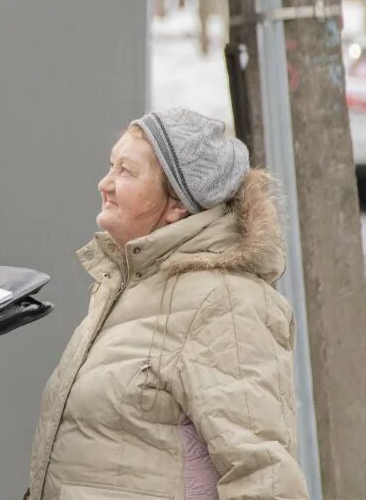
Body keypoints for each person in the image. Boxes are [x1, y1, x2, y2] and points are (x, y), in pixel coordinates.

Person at [27, 108, 309, 499]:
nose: (104, 183)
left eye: (126, 171)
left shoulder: (225, 301)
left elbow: (262, 473)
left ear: (177, 201)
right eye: (111, 166)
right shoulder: (128, 287)